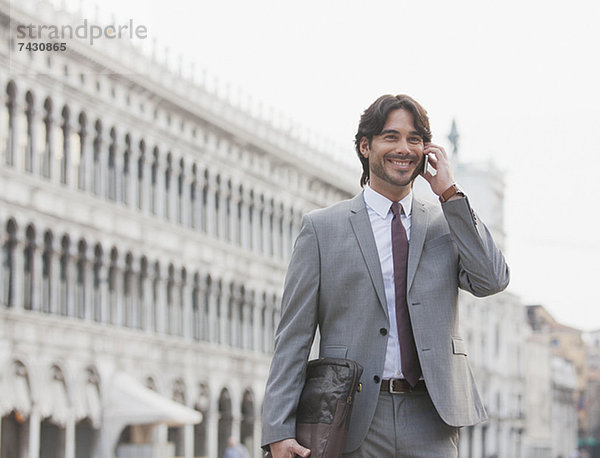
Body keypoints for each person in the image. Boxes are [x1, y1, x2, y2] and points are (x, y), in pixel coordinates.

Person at [261, 94, 510, 457]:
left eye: (414, 139)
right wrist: (278, 430)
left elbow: (492, 279)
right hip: (352, 416)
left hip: (432, 416)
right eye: (391, 137)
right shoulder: (322, 229)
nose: (404, 149)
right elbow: (293, 337)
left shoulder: (446, 224)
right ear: (365, 146)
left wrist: (450, 194)